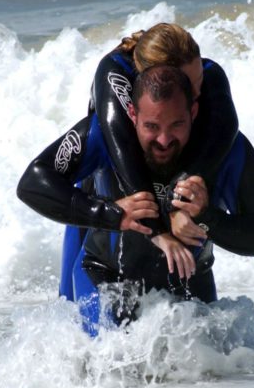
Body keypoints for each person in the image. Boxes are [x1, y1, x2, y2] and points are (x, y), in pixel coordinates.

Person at [17, 65, 254, 335]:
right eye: (151, 127)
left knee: (214, 374)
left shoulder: (228, 149)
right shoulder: (102, 136)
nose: (164, 140)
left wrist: (207, 218)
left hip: (192, 286)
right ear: (132, 115)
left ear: (193, 113)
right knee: (106, 371)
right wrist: (110, 213)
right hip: (104, 282)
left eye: (176, 125)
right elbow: (32, 184)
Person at [89, 23, 239, 237]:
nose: (198, 92)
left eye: (200, 82)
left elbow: (226, 127)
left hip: (172, 163)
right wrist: (156, 229)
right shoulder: (115, 70)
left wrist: (180, 191)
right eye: (188, 86)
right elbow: (120, 140)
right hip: (110, 177)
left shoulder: (207, 71)